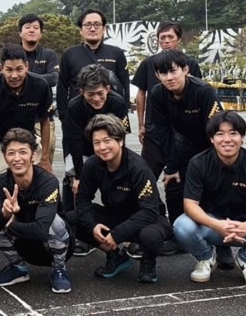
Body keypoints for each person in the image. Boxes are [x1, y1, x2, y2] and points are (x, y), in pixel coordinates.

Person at [173, 111, 246, 286]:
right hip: (212, 226)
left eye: (233, 133)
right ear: (211, 139)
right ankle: (205, 257)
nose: (227, 139)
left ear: (242, 138)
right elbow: (190, 205)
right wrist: (217, 225)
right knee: (182, 226)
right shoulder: (198, 163)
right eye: (220, 134)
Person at [0, 44, 54, 266]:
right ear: (1, 68)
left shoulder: (40, 85)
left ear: (27, 66)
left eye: (19, 69)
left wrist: (45, 158)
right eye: (9, 70)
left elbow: (45, 121)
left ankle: (38, 229)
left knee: (41, 182)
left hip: (26, 138)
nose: (14, 75)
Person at [144, 49, 224, 259]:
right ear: (157, 75)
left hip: (210, 144)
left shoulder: (204, 91)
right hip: (183, 142)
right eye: (163, 73)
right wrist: (172, 166)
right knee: (173, 183)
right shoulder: (157, 94)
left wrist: (215, 163)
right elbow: (163, 131)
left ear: (185, 69)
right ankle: (178, 236)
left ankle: (222, 245)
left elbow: (217, 128)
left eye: (173, 71)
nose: (169, 77)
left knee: (212, 187)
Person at [74, 114, 172, 284]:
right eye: (96, 143)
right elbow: (83, 200)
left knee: (150, 236)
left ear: (120, 140)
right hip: (115, 215)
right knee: (73, 218)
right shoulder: (92, 165)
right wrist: (92, 225)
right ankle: (115, 255)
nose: (102, 147)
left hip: (147, 218)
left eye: (107, 141)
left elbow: (149, 211)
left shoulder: (139, 167)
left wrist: (117, 234)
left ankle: (148, 262)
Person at [0, 128, 72, 293]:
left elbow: (41, 230)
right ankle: (18, 267)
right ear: (4, 156)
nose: (17, 158)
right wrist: (4, 214)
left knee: (55, 222)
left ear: (33, 154)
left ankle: (59, 269)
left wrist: (10, 225)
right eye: (11, 153)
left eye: (23, 152)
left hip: (51, 245)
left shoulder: (48, 182)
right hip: (24, 244)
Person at [61, 64, 130, 213]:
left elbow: (121, 138)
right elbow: (74, 143)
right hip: (82, 149)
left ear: (107, 89)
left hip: (109, 146)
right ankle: (69, 215)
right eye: (90, 94)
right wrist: (78, 176)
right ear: (82, 92)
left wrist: (116, 164)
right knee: (72, 181)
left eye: (100, 93)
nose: (96, 99)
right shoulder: (74, 106)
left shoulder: (118, 103)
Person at [133, 20, 202, 146]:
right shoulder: (147, 64)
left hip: (185, 128)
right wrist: (141, 125)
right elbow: (141, 94)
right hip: (154, 127)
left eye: (170, 37)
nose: (166, 41)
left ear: (179, 39)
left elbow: (198, 93)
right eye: (162, 37)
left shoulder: (190, 63)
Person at [57, 8, 130, 124]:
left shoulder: (116, 53)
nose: (92, 29)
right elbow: (62, 88)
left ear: (104, 29)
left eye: (97, 25)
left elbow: (125, 85)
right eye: (87, 25)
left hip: (111, 117)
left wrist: (123, 113)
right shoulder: (69, 54)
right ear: (80, 30)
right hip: (78, 116)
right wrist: (64, 117)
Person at [18, 14, 60, 165]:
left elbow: (53, 78)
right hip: (16, 119)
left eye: (36, 28)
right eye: (27, 27)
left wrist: (24, 77)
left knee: (44, 164)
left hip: (43, 119)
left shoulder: (49, 55)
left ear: (41, 33)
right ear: (20, 32)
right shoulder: (13, 54)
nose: (32, 30)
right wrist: (40, 79)